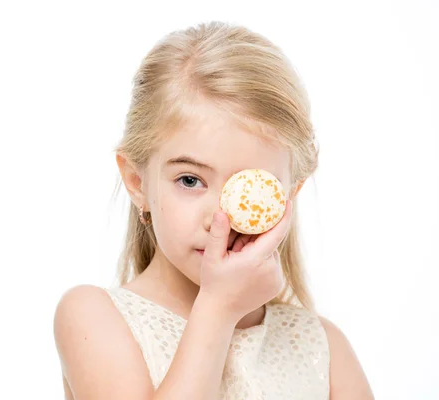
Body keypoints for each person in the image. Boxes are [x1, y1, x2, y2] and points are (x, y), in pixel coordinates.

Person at [53, 20, 374, 399]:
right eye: (190, 181)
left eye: (252, 190)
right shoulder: (93, 317)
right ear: (138, 182)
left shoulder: (324, 349)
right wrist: (217, 309)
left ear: (289, 195)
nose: (222, 218)